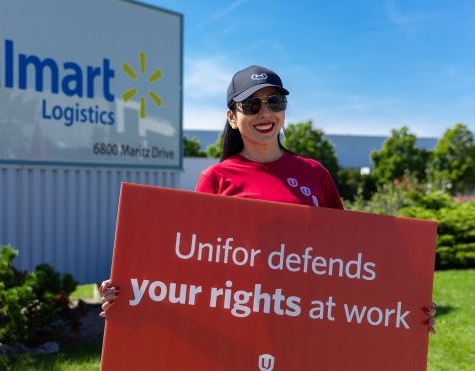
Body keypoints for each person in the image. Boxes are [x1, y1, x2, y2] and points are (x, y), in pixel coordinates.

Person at [99, 65, 435, 332]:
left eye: (275, 102)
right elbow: (190, 266)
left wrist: (404, 308)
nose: (265, 112)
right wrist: (131, 292)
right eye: (252, 104)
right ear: (232, 116)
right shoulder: (216, 179)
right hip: (240, 319)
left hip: (310, 317)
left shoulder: (314, 173)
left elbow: (347, 261)